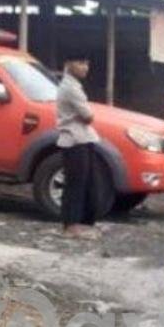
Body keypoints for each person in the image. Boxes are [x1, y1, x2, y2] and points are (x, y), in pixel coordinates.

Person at [56, 56, 101, 239]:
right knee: (75, 184)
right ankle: (70, 226)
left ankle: (82, 223)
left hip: (83, 138)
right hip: (74, 139)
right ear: (68, 64)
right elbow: (88, 116)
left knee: (88, 183)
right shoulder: (70, 88)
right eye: (81, 63)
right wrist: (89, 115)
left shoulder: (74, 85)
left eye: (87, 63)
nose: (85, 67)